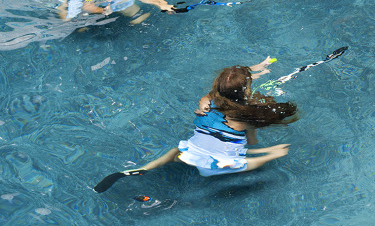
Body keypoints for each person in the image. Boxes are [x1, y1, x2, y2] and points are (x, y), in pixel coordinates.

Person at [122, 58, 300, 178]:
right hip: (216, 166)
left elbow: (213, 94)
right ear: (246, 90)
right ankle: (270, 155)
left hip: (189, 153)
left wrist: (255, 70)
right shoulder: (245, 117)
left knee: (173, 153)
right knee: (250, 161)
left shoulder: (209, 101)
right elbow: (252, 143)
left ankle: (143, 168)